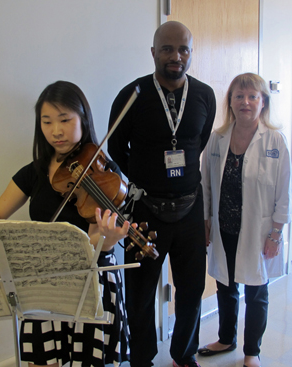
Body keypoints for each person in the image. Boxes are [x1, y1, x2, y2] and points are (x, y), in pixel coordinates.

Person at [0, 81, 131, 367]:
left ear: (83, 120)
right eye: (47, 121)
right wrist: (21, 246)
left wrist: (105, 239)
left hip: (91, 281)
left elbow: (98, 245)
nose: (56, 131)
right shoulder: (34, 172)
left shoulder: (105, 172)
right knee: (42, 361)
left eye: (65, 120)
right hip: (43, 282)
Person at [107, 21, 216, 367]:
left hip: (189, 209)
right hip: (144, 210)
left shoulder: (204, 95)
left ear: (190, 54)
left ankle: (184, 354)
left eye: (183, 49)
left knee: (191, 291)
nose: (176, 56)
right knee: (139, 294)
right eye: (167, 48)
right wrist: (144, 179)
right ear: (153, 52)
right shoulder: (132, 94)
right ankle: (142, 358)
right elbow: (115, 147)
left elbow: (198, 142)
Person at [199, 73, 292, 367]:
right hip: (224, 226)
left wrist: (276, 233)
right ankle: (226, 339)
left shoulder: (275, 139)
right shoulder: (218, 138)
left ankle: (252, 351)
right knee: (226, 286)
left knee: (256, 290)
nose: (245, 102)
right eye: (239, 96)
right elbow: (206, 185)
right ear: (230, 102)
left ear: (263, 102)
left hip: (258, 230)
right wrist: (205, 222)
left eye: (253, 96)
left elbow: (284, 191)